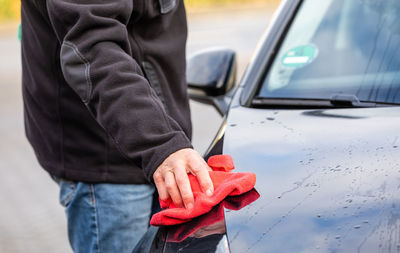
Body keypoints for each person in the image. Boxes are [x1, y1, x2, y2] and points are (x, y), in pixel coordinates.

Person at [20, 0, 213, 252]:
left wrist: (165, 140)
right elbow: (91, 47)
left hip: (158, 144)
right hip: (106, 160)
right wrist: (161, 143)